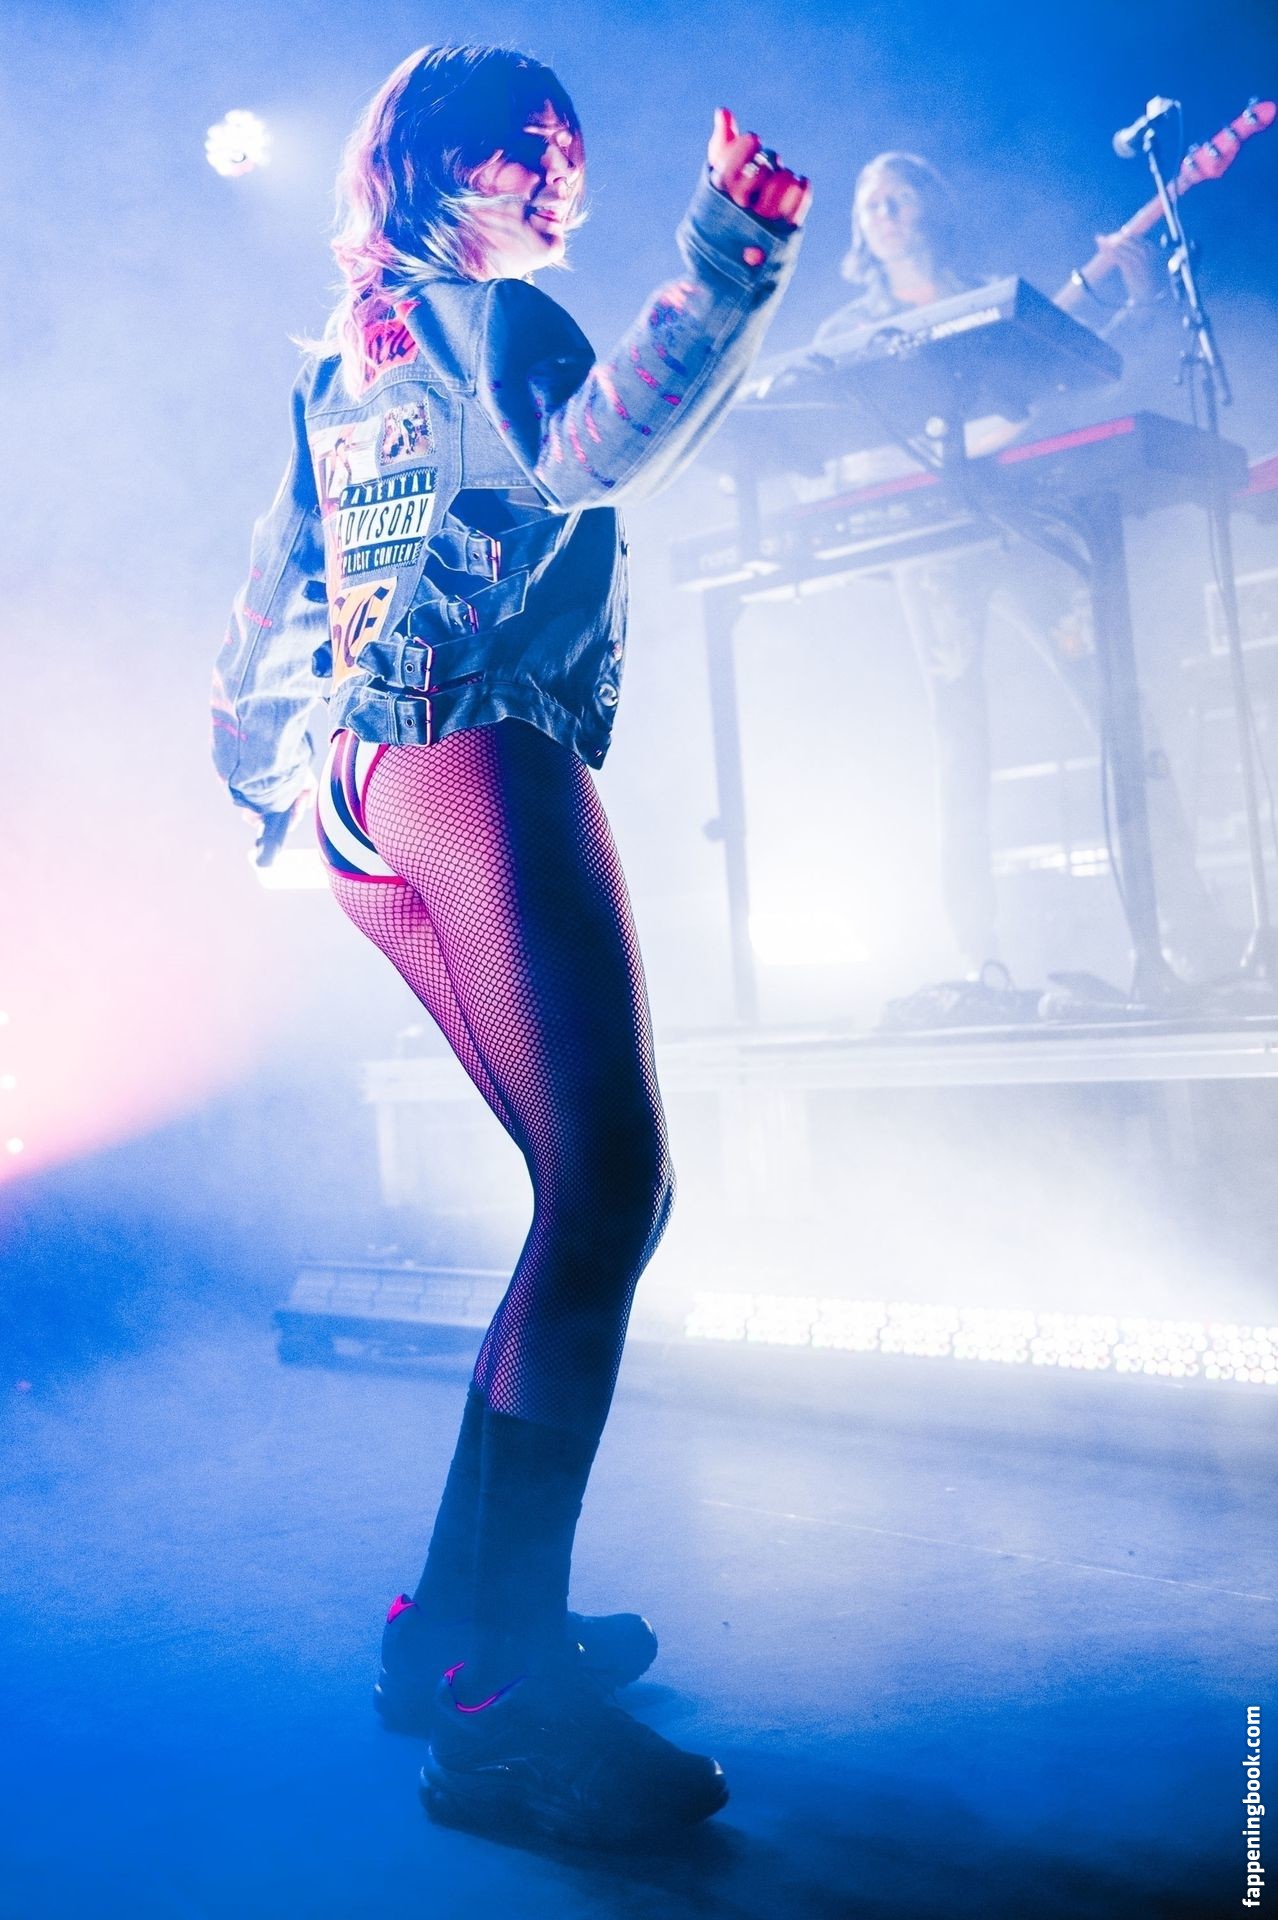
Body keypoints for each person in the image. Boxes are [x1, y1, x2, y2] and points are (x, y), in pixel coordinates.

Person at [212, 44, 809, 1846]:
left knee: (580, 1192)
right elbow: (589, 448)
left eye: (568, 147)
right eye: (519, 149)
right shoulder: (493, 317)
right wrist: (728, 258)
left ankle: (455, 1632)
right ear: (432, 167)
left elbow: (269, 601)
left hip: (375, 780)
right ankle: (500, 1708)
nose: (557, 174)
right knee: (612, 1188)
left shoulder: (344, 360)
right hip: (475, 742)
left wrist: (277, 793)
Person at [815, 152, 1224, 983]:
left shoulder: (996, 299)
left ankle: (1185, 926)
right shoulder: (848, 334)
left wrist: (1140, 305)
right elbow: (834, 449)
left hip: (1028, 526)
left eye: (899, 196)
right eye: (870, 204)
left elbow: (1071, 381)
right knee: (960, 746)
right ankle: (979, 960)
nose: (884, 213)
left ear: (932, 206)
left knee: (1118, 708)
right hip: (935, 552)